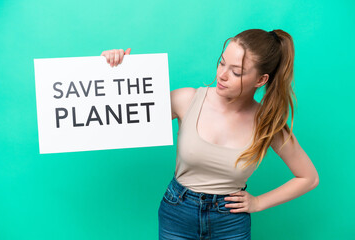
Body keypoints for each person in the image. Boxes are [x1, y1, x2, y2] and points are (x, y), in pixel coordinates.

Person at [100, 29, 319, 240]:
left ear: (261, 80)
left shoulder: (267, 124)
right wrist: (114, 70)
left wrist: (258, 202)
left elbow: (308, 178)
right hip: (177, 213)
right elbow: (118, 118)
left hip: (230, 223)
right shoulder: (186, 99)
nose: (222, 75)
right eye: (222, 62)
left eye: (236, 71)